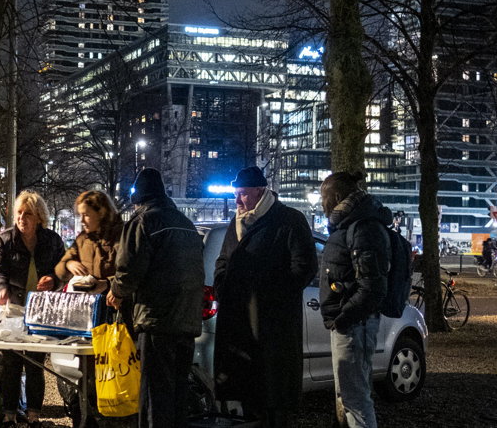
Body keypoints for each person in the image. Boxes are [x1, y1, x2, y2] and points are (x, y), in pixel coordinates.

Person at [212, 166, 318, 427]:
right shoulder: (235, 223)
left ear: (260, 192)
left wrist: (268, 295)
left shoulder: (289, 220)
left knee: (272, 397)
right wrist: (222, 287)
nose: (237, 201)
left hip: (272, 326)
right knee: (247, 393)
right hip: (240, 325)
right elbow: (223, 261)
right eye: (236, 194)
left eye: (243, 195)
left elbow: (304, 268)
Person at [108, 168, 205, 427]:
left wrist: (116, 293)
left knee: (154, 396)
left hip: (156, 322)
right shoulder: (186, 224)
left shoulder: (142, 223)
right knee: (177, 394)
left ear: (138, 198)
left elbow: (128, 271)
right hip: (187, 321)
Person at [317, 171, 392, 428]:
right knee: (351, 396)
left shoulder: (362, 227)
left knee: (356, 399)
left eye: (323, 197)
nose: (321, 203)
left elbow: (372, 286)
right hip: (352, 324)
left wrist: (343, 317)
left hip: (354, 325)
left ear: (337, 196)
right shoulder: (353, 225)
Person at [0, 190, 66, 426]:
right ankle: (10, 415)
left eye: (28, 214)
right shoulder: (3, 240)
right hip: (12, 310)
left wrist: (54, 279)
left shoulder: (52, 240)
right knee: (11, 363)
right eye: (19, 213)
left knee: (35, 363)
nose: (22, 218)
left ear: (39, 217)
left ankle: (34, 415)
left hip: (41, 311)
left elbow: (64, 269)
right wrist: (0, 288)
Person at [55, 190, 124, 294]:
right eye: (80, 215)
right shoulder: (82, 239)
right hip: (87, 305)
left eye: (86, 215)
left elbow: (131, 274)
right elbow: (60, 269)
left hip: (115, 305)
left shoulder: (123, 237)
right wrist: (68, 264)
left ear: (101, 213)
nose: (81, 221)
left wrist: (108, 284)